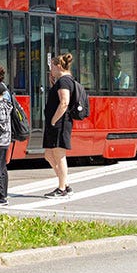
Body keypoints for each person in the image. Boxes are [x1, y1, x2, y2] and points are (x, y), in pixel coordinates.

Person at [42, 53, 76, 199]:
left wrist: (54, 120)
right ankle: (65, 184)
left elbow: (64, 102)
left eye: (52, 68)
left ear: (58, 66)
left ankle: (62, 188)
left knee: (59, 155)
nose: (50, 71)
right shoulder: (61, 81)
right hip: (55, 123)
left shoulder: (64, 81)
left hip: (59, 123)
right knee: (49, 155)